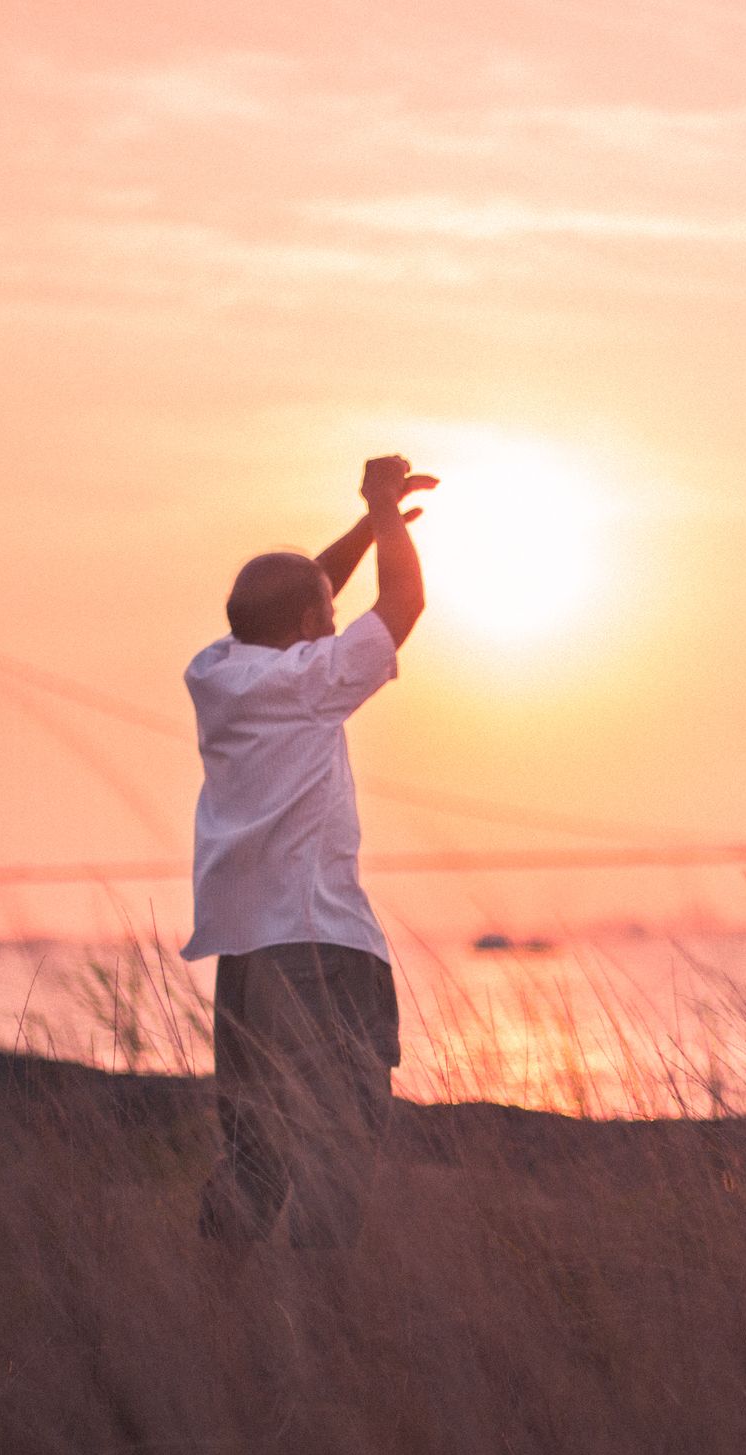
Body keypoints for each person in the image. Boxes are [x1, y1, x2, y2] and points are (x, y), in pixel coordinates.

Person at [183, 454, 436, 1246]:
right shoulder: (309, 682)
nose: (336, 617)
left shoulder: (218, 671)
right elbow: (405, 600)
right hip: (319, 949)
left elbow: (292, 596)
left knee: (253, 1163)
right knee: (339, 1148)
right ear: (308, 626)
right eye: (327, 612)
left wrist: (365, 529)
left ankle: (220, 1318)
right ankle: (319, 1329)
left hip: (247, 961)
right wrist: (383, 509)